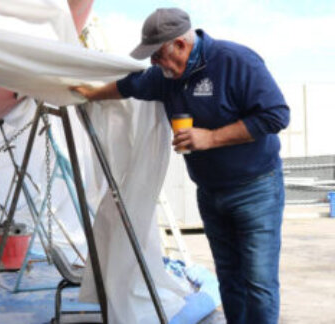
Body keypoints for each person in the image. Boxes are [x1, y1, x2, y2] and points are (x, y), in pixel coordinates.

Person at [71, 7, 289, 324]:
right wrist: (92, 94)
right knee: (229, 277)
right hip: (210, 193)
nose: (154, 63)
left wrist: (210, 138)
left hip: (256, 190)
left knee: (258, 281)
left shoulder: (236, 61)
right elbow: (128, 86)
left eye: (157, 55)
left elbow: (276, 115)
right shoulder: (166, 77)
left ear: (180, 45)